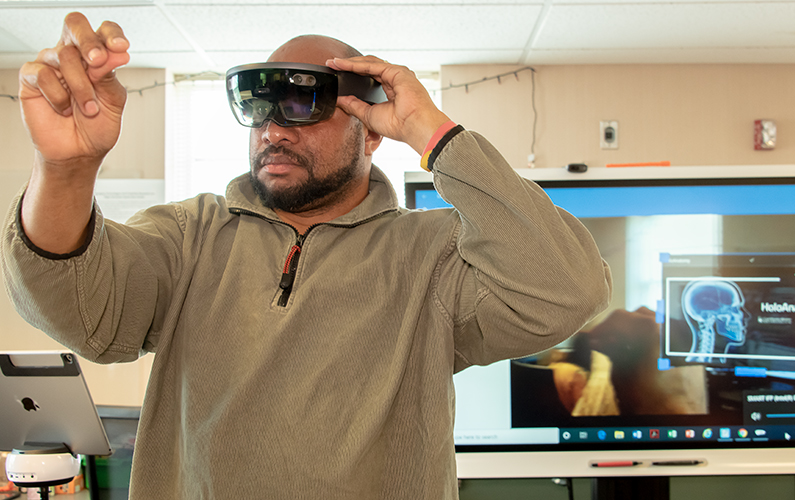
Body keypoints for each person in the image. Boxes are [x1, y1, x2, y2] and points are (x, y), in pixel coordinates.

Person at [1, 12, 612, 500]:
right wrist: (65, 168)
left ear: (371, 129)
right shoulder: (189, 234)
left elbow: (566, 292)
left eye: (302, 102)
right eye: (258, 105)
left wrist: (433, 134)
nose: (274, 128)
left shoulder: (435, 256)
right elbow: (84, 312)